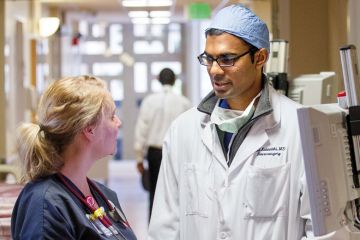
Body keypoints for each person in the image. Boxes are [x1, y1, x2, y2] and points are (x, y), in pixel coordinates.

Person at [148, 4, 312, 240]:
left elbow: (320, 230)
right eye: (209, 58)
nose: (214, 70)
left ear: (260, 58)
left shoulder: (299, 127)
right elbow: (165, 226)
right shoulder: (183, 130)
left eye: (227, 59)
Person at [11, 75, 137, 240]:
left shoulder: (104, 196)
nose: (118, 122)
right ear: (89, 128)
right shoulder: (46, 206)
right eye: (112, 116)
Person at [134, 68, 191, 218]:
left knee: (154, 192)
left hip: (154, 153)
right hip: (177, 152)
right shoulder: (184, 103)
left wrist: (139, 157)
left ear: (159, 80)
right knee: (177, 192)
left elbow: (141, 129)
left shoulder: (149, 101)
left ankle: (154, 231)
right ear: (174, 81)